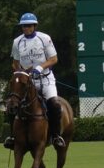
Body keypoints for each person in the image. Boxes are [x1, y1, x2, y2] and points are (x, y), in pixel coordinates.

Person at [6, 13, 64, 149]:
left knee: (54, 104)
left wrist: (40, 67)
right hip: (27, 82)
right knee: (12, 105)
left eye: (29, 25)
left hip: (46, 79)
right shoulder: (17, 42)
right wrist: (21, 73)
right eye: (24, 26)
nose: (26, 28)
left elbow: (54, 59)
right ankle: (12, 137)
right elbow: (15, 63)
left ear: (34, 26)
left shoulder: (44, 38)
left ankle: (56, 136)